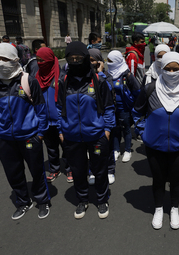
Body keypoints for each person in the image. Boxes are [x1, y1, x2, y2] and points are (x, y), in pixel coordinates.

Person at [132, 52, 179, 230]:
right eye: (167, 69)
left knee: (176, 180)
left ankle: (174, 208)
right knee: (158, 180)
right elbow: (137, 112)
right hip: (155, 146)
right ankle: (159, 208)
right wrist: (143, 130)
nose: (171, 72)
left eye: (176, 69)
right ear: (162, 69)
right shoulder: (150, 89)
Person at [56, 41, 115, 219]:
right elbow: (59, 108)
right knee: (78, 170)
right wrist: (60, 131)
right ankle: (82, 200)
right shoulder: (64, 82)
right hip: (72, 136)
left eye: (79, 58)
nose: (75, 61)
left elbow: (109, 108)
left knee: (99, 169)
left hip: (96, 135)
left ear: (86, 59)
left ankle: (102, 199)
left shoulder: (98, 81)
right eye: (71, 58)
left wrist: (107, 130)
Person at [0, 43, 50, 220]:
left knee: (36, 170)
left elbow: (41, 109)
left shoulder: (28, 81)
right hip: (4, 138)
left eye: (3, 59)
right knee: (13, 173)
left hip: (29, 136)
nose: (0, 63)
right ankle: (23, 202)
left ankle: (42, 201)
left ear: (14, 59)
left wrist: (41, 133)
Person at [35, 47, 72, 183]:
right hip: (45, 121)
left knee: (66, 146)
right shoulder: (37, 77)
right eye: (37, 60)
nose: (39, 63)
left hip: (60, 120)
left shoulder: (61, 77)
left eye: (42, 60)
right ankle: (54, 168)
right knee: (51, 148)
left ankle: (69, 169)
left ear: (50, 60)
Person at [88, 48, 116, 185]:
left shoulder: (107, 76)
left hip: (105, 118)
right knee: (91, 151)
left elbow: (110, 91)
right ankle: (92, 171)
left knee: (107, 149)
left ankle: (110, 170)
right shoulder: (85, 77)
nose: (90, 63)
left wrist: (99, 73)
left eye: (93, 60)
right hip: (90, 120)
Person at [106, 50, 141, 163]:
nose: (109, 63)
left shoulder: (127, 75)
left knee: (126, 129)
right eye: (108, 61)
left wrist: (133, 105)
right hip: (112, 108)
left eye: (111, 61)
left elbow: (137, 91)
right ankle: (116, 150)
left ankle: (127, 150)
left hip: (124, 108)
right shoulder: (107, 74)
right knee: (115, 130)